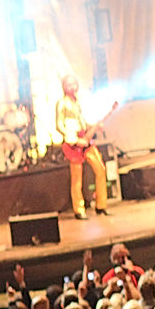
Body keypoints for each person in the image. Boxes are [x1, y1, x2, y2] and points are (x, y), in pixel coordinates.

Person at [56, 74, 110, 220]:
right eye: (69, 84)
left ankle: (101, 205)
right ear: (64, 87)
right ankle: (79, 209)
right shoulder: (62, 103)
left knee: (100, 169)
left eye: (74, 83)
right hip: (73, 143)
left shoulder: (79, 102)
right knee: (77, 178)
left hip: (85, 139)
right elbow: (59, 125)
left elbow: (83, 122)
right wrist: (74, 140)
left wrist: (94, 127)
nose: (72, 87)